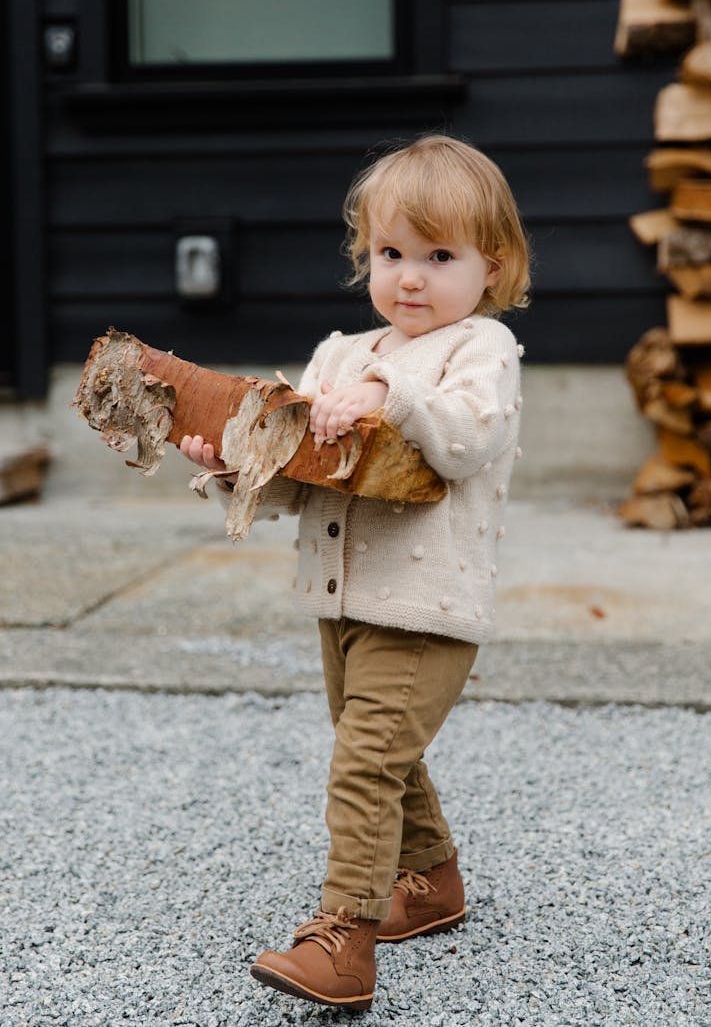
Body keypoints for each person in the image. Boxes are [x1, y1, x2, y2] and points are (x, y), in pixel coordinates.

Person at [180, 134, 530, 1012]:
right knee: (377, 747)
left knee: (365, 762)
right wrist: (231, 463)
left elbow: (462, 439)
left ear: (492, 266)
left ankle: (346, 938)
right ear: (365, 257)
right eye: (390, 253)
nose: (410, 277)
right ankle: (433, 880)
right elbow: (304, 473)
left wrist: (390, 397)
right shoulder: (340, 355)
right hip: (342, 598)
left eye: (438, 256)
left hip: (425, 607)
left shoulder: (479, 351)